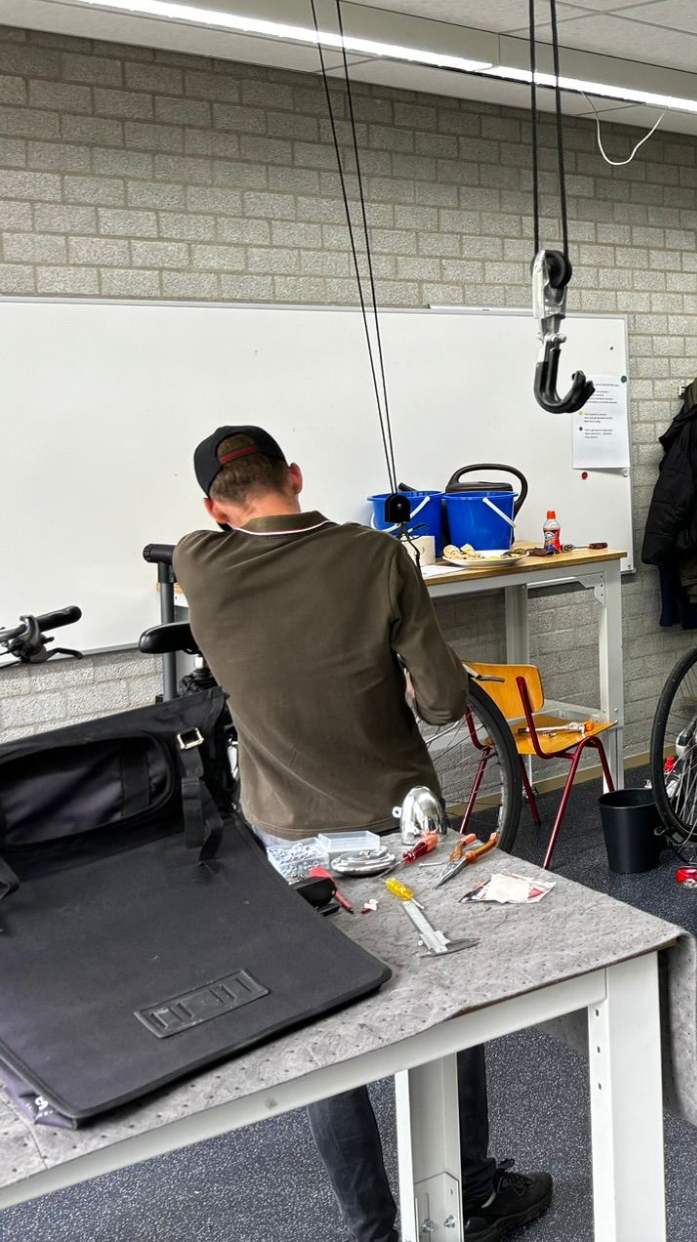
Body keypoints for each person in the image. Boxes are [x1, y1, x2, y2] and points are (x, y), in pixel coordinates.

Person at [176, 426, 553, 1242]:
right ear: (296, 474)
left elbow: (233, 546)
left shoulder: (197, 563)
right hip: (398, 824)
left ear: (214, 508)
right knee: (445, 1005)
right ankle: (472, 1193)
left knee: (327, 1038)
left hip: (288, 840)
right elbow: (443, 702)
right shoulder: (377, 556)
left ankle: (372, 1231)